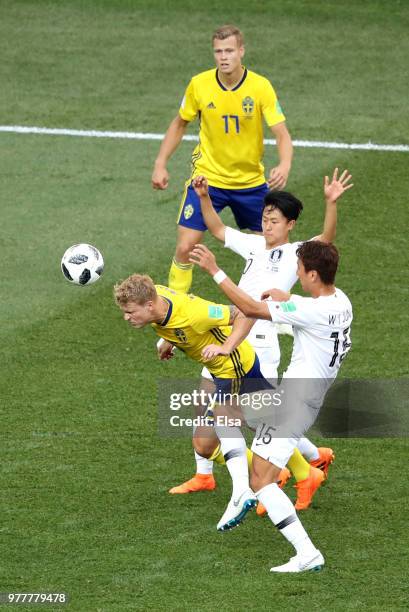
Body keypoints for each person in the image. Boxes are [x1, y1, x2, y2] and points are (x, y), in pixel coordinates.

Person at [171, 169, 353, 513]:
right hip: (231, 336)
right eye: (265, 218)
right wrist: (205, 198)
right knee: (209, 408)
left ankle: (298, 468)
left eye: (274, 220)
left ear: (290, 225)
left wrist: (330, 203)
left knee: (260, 418)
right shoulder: (253, 244)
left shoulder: (296, 253)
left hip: (260, 344)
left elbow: (326, 240)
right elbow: (219, 229)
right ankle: (205, 473)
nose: (267, 225)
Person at [189, 240, 353, 572]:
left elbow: (249, 309)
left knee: (261, 480)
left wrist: (214, 270)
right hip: (301, 397)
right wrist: (289, 297)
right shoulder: (341, 301)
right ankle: (297, 469)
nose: (296, 273)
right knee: (224, 409)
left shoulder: (312, 311)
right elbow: (309, 306)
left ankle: (305, 552)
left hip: (292, 403)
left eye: (300, 270)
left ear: (313, 273)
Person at [114, 275, 272, 531]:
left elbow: (245, 312)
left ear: (149, 305)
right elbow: (174, 324)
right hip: (222, 371)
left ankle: (242, 491)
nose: (127, 317)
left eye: (130, 312)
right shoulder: (158, 300)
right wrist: (169, 340)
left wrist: (226, 347)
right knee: (209, 441)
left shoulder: (193, 313)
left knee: (224, 419)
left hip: (234, 367)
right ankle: (311, 462)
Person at [151, 24, 293, 295]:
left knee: (273, 250)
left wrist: (284, 164)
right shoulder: (199, 84)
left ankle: (273, 310)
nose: (223, 57)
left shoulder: (260, 87)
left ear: (241, 51)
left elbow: (282, 134)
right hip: (208, 179)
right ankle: (175, 313)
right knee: (185, 247)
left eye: (229, 50)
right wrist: (160, 163)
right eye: (218, 51)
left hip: (250, 183)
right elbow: (180, 123)